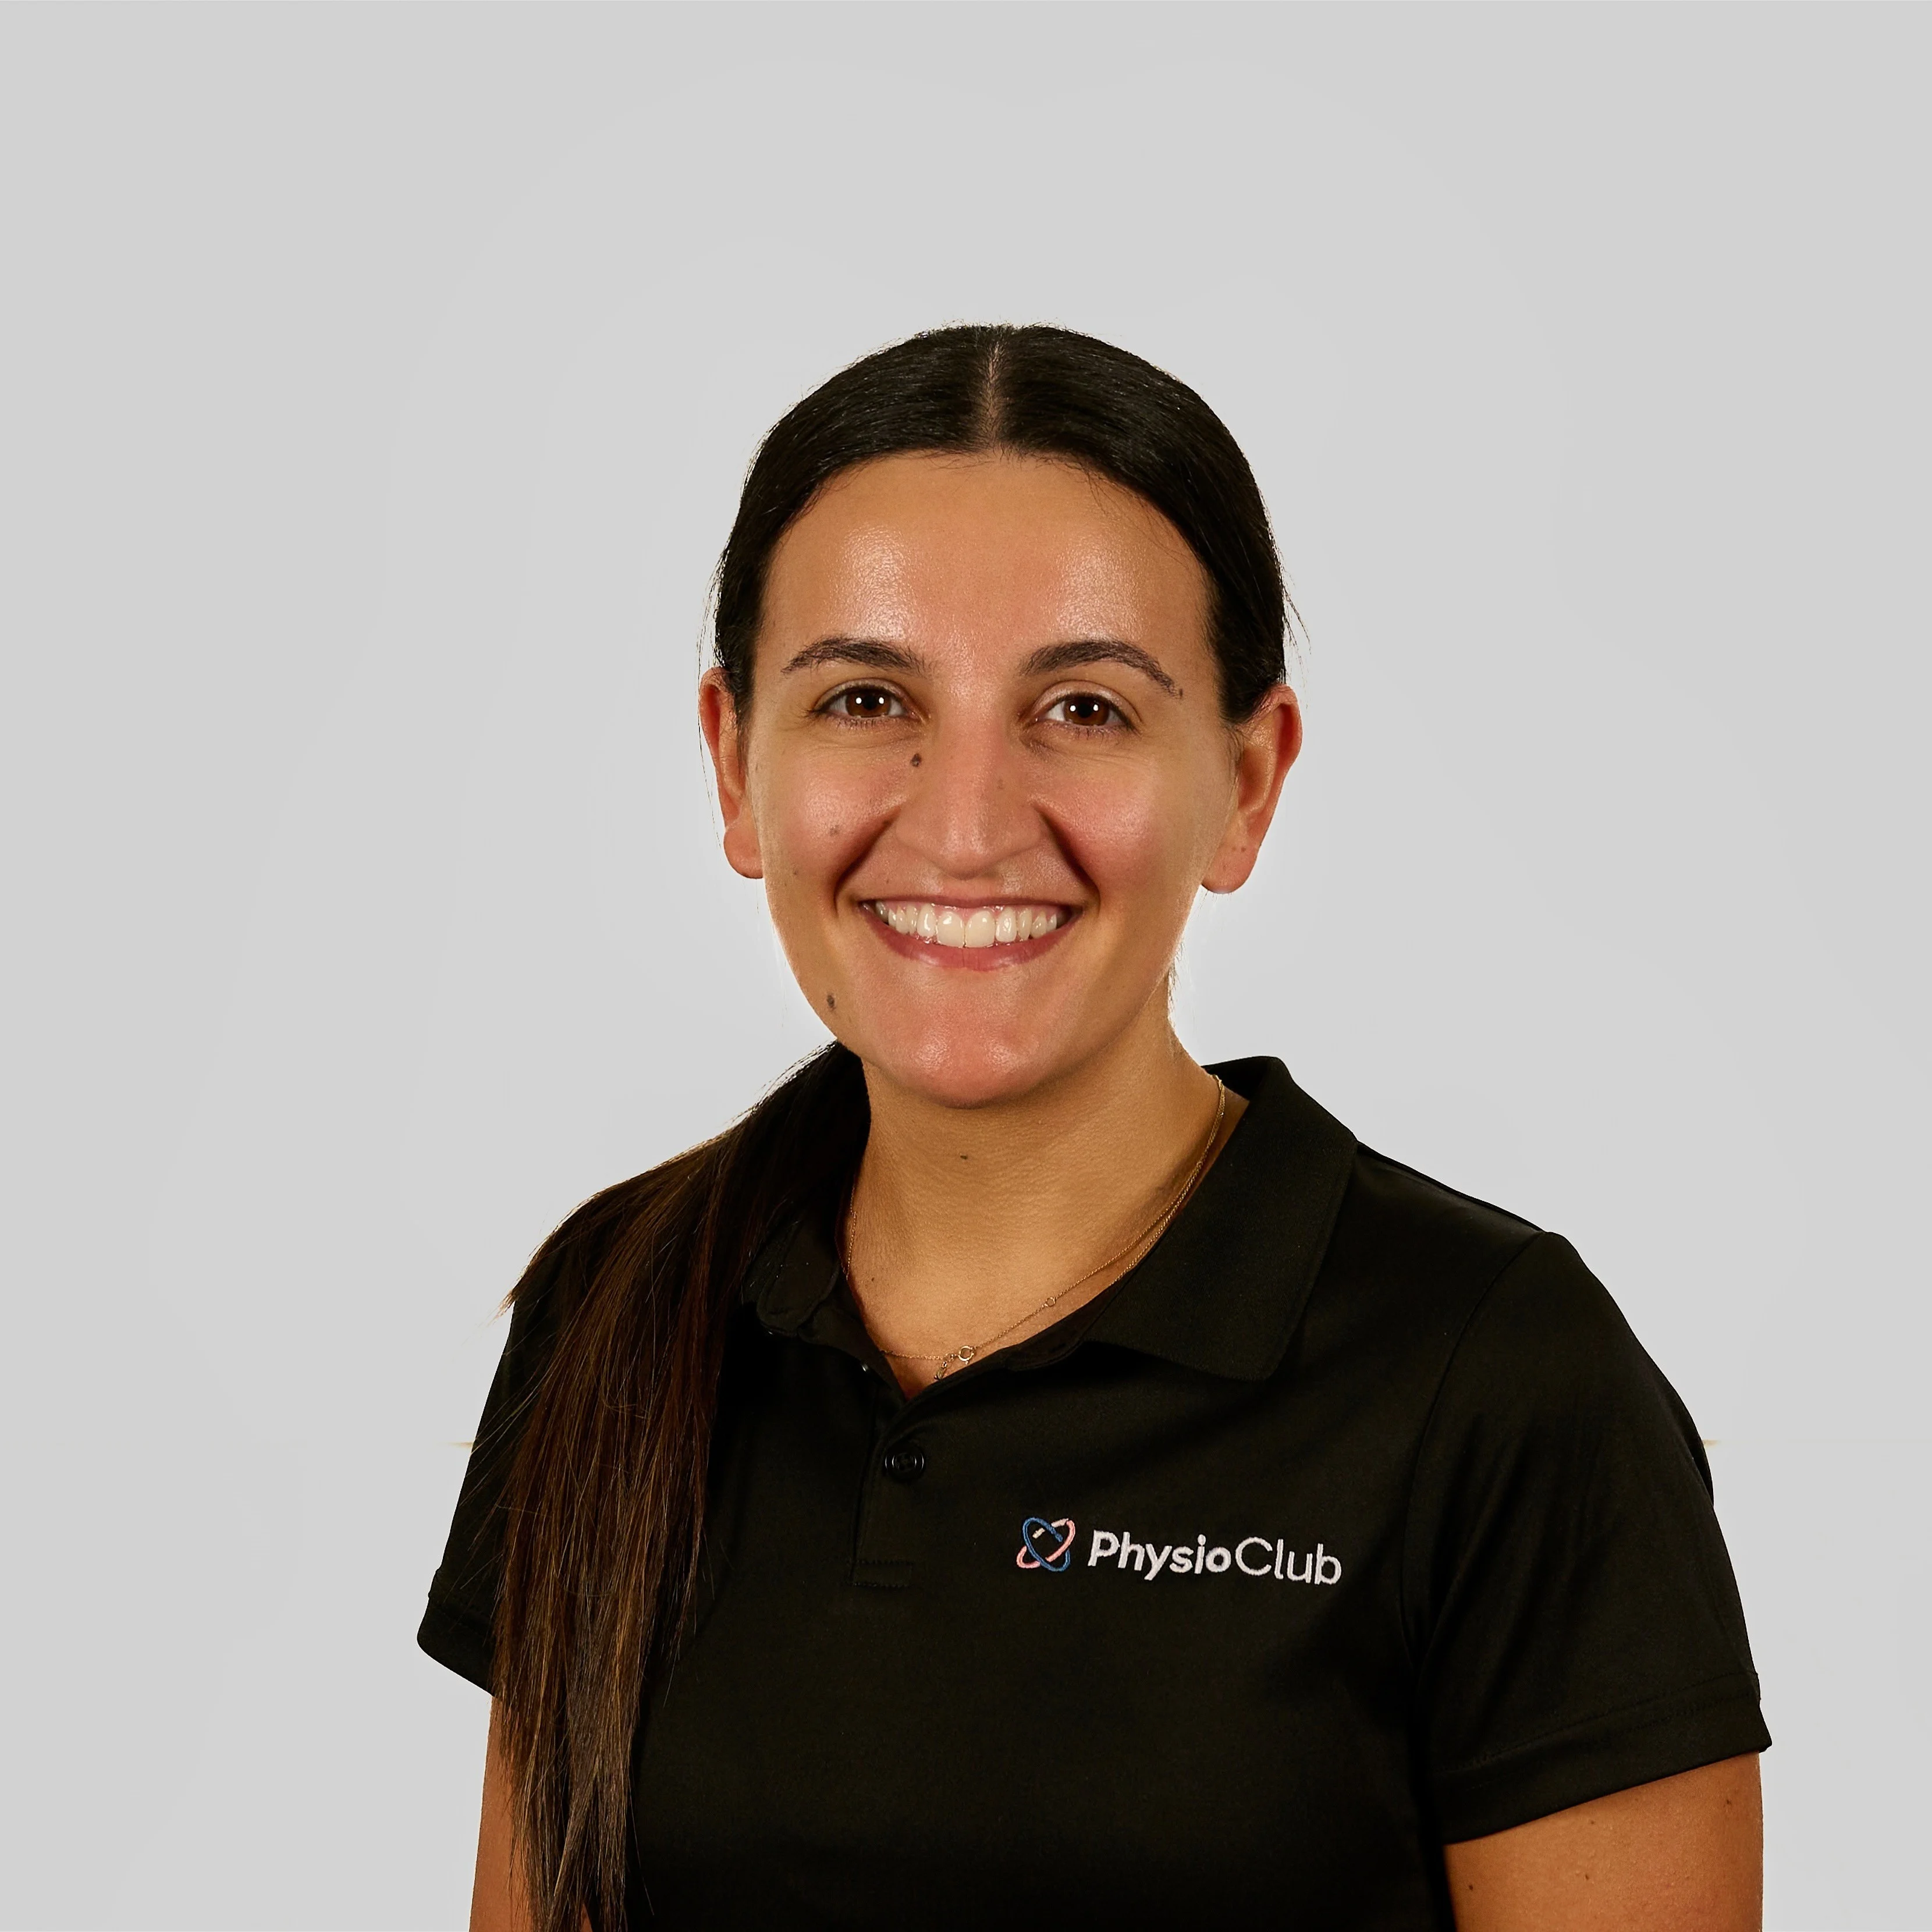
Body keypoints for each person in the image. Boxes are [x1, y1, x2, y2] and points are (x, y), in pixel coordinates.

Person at [420, 325, 1768, 1931]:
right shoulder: (622, 1301)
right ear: (732, 762)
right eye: (866, 697)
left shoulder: (1501, 1381)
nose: (967, 825)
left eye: (1083, 708)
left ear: (1248, 781)